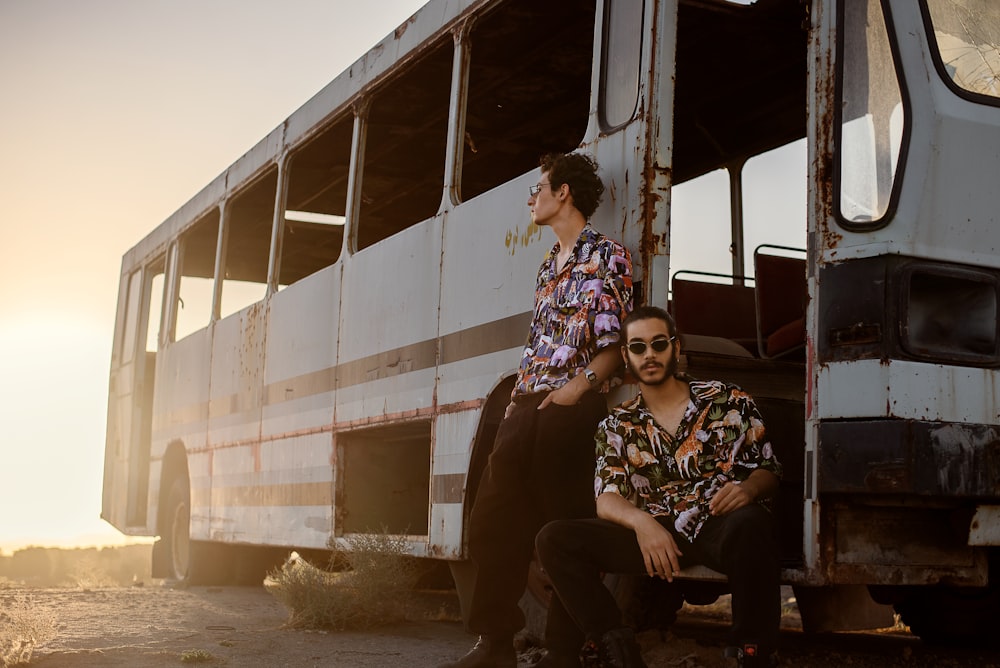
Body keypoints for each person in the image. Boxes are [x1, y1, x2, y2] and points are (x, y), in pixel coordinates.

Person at [440, 153, 633, 668]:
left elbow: (617, 346)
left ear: (563, 193)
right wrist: (514, 406)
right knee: (491, 523)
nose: (533, 199)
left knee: (562, 529)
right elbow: (537, 343)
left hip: (569, 410)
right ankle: (495, 642)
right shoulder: (548, 265)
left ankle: (566, 651)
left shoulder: (607, 257)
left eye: (539, 188)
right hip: (524, 406)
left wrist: (576, 390)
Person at [535, 306, 783, 668]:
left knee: (752, 524)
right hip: (653, 535)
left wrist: (749, 490)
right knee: (554, 539)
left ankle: (751, 652)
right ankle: (616, 647)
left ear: (676, 348)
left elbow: (768, 470)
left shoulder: (727, 400)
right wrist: (642, 524)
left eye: (658, 344)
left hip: (716, 523)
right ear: (625, 356)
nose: (648, 354)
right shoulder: (617, 425)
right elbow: (606, 498)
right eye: (637, 347)